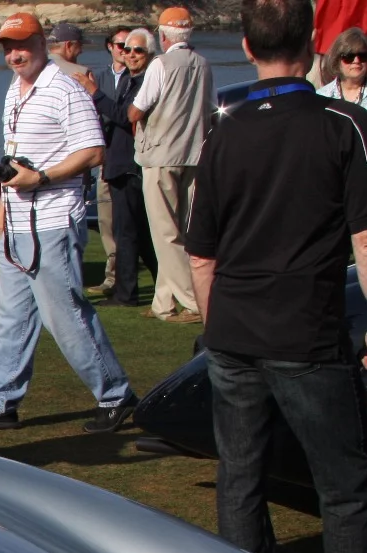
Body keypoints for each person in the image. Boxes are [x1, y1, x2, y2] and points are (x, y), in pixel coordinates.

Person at [187, 0, 367, 553]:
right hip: (307, 333)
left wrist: (215, 327)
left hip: (237, 328)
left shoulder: (224, 128)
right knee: (344, 484)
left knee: (242, 474)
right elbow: (366, 240)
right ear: (316, 43)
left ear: (245, 44)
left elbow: (199, 250)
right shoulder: (343, 125)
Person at [0, 13, 136, 433]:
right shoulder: (15, 90)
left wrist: (42, 177)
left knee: (64, 314)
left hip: (50, 220)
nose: (15, 55)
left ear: (40, 43)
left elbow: (93, 151)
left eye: (22, 46)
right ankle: (0, 404)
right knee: (10, 315)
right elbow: (13, 157)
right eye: (8, 48)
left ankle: (116, 395)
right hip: (15, 221)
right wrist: (1, 205)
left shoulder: (64, 89)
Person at [127, 6, 214, 323]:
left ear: (163, 37)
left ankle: (193, 299)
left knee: (165, 234)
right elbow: (213, 108)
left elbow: (136, 110)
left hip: (161, 156)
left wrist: (134, 118)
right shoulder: (204, 64)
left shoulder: (160, 65)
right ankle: (163, 302)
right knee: (182, 230)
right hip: (194, 155)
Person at [96, 30, 159, 308]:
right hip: (119, 162)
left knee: (127, 232)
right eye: (125, 48)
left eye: (137, 50)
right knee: (141, 232)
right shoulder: (129, 81)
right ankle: (165, 286)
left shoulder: (143, 83)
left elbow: (124, 117)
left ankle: (127, 294)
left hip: (131, 165)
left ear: (149, 54)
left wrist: (95, 94)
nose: (129, 54)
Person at [88, 26, 132, 297]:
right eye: (120, 45)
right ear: (110, 46)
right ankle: (112, 275)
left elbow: (125, 115)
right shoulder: (99, 77)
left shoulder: (137, 78)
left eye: (130, 47)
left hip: (130, 157)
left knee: (131, 220)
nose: (125, 51)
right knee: (107, 220)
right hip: (105, 156)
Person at [320, 27, 367, 102]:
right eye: (349, 56)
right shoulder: (322, 96)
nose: (357, 61)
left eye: (362, 56)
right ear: (337, 61)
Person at [47, 23, 97, 92]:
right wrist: (93, 90)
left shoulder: (33, 69)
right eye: (80, 45)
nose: (81, 51)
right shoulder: (82, 74)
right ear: (68, 45)